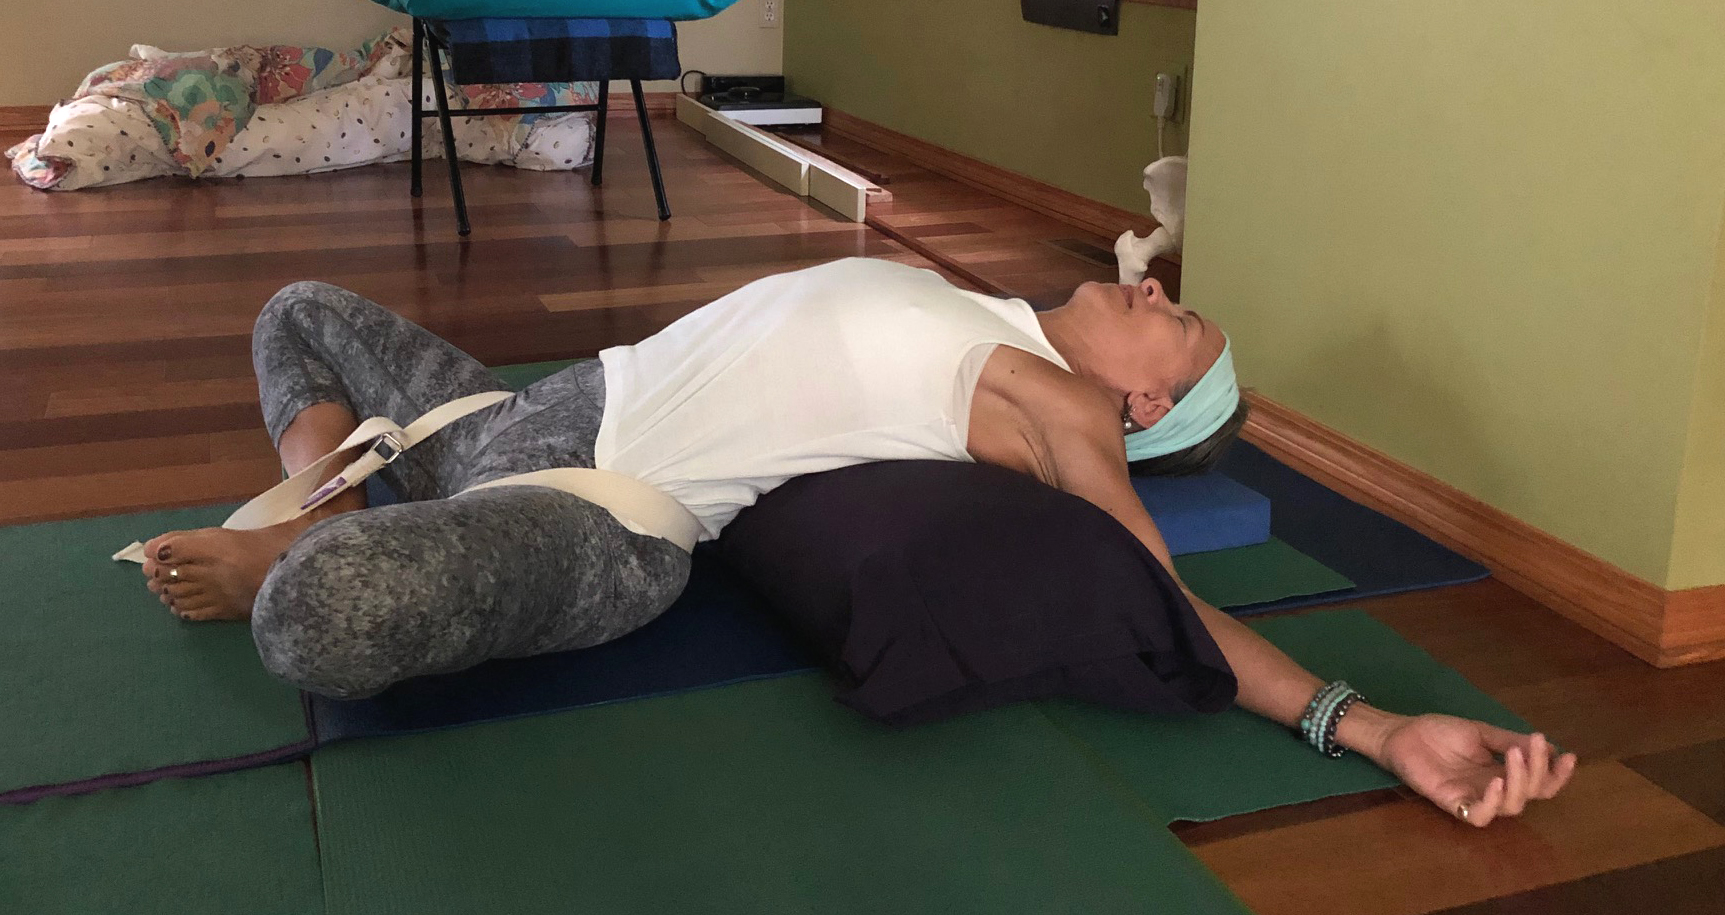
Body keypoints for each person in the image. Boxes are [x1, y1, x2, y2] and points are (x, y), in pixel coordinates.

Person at [139, 257, 1574, 827]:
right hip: (541, 407)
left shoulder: (1059, 404)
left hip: (606, 517)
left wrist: (1365, 724)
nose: (1144, 280)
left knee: (323, 623)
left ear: (1143, 397)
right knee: (300, 311)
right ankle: (331, 499)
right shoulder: (982, 307)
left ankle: (310, 550)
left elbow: (1151, 592)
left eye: (1169, 314)